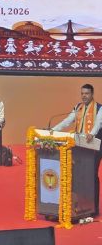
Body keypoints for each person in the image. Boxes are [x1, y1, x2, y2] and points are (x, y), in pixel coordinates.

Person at [53, 84, 101, 218]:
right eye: (82, 93)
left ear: (92, 94)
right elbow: (67, 121)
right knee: (78, 175)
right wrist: (53, 130)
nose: (84, 96)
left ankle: (93, 208)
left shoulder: (99, 108)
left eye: (87, 93)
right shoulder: (78, 107)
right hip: (79, 146)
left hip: (93, 147)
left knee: (91, 175)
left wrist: (91, 133)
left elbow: (98, 124)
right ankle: (80, 206)